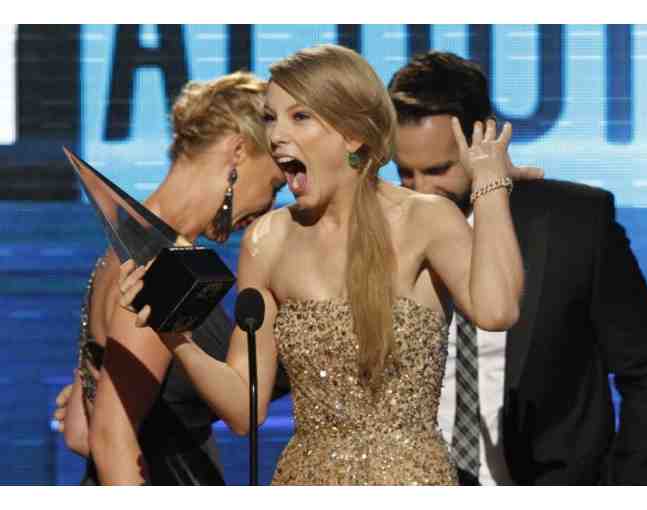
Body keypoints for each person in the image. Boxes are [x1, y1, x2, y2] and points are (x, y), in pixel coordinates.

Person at [118, 44, 524, 485]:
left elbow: (497, 310)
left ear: (352, 134)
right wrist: (174, 336)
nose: (275, 136)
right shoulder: (266, 241)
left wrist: (490, 185)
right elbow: (244, 409)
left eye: (299, 117)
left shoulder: (427, 219)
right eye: (270, 118)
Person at [388, 51, 647, 485]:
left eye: (438, 170)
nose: (421, 191)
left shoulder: (575, 224)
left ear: (482, 138)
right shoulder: (383, 233)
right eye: (405, 174)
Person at [52, 71, 287, 485]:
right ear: (238, 151)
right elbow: (109, 439)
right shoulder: (162, 266)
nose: (268, 205)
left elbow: (78, 430)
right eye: (273, 184)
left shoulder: (125, 249)